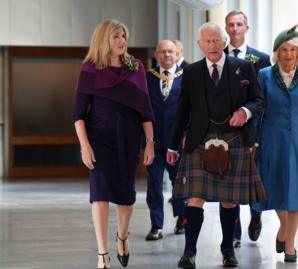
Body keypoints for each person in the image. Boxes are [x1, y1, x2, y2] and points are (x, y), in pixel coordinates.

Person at [166, 22, 266, 269]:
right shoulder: (191, 73)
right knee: (194, 198)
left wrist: (246, 111)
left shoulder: (243, 68)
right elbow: (182, 111)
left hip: (234, 140)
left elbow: (259, 100)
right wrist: (172, 146)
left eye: (216, 40)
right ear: (200, 45)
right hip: (200, 141)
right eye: (207, 41)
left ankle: (228, 249)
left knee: (229, 200)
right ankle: (189, 252)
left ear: (225, 42)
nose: (212, 45)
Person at [73, 19, 154, 269]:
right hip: (99, 138)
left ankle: (122, 237)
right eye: (116, 36)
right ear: (104, 39)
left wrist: (150, 142)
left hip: (129, 139)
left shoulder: (136, 67)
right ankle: (102, 254)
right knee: (99, 193)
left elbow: (146, 109)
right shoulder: (90, 69)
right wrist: (85, 145)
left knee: (126, 197)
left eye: (124, 37)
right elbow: (78, 113)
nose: (122, 41)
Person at [252, 24, 298, 263]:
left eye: (293, 49)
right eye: (284, 49)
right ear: (277, 52)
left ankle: (290, 243)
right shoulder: (264, 75)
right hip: (272, 138)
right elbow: (259, 109)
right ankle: (284, 227)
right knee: (276, 186)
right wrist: (254, 140)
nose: (289, 54)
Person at [223, 10, 271, 247]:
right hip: (226, 131)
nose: (235, 29)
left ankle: (256, 215)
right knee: (230, 182)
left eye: (239, 24)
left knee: (253, 177)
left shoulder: (260, 59)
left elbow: (263, 97)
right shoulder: (218, 56)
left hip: (253, 128)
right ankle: (234, 232)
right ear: (226, 29)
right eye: (231, 25)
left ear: (246, 28)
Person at [145, 40, 186, 241]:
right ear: (156, 54)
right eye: (162, 51)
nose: (167, 55)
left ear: (177, 54)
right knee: (153, 184)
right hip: (153, 142)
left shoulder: (187, 77)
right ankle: (156, 225)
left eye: (170, 51)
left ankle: (181, 220)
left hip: (177, 143)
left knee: (178, 183)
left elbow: (192, 110)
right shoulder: (147, 77)